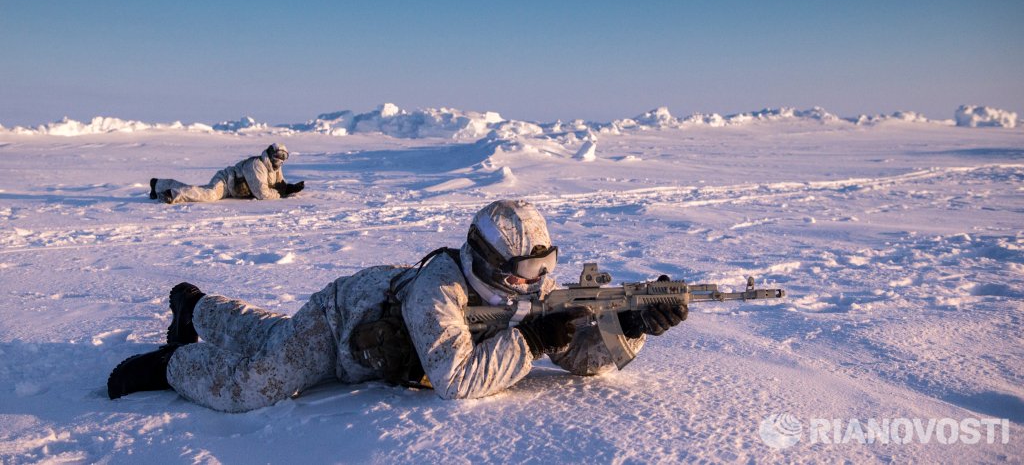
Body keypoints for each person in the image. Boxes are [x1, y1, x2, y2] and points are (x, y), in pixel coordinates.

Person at [107, 199, 687, 411]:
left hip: (364, 347)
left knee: (264, 335)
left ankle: (196, 307)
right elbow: (456, 378)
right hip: (338, 324)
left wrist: (628, 327)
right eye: (527, 272)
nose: (538, 283)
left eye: (546, 267)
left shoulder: (524, 293)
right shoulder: (441, 288)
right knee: (255, 384)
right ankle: (173, 362)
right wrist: (533, 341)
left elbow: (575, 356)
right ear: (488, 266)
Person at [149, 143, 303, 204]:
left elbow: (278, 184)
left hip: (233, 189)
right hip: (226, 181)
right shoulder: (257, 165)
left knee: (199, 190)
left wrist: (288, 188)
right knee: (209, 195)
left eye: (284, 157)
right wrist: (280, 194)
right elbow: (261, 194)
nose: (280, 160)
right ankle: (172, 194)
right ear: (270, 154)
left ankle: (159, 185)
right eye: (278, 156)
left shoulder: (274, 168)